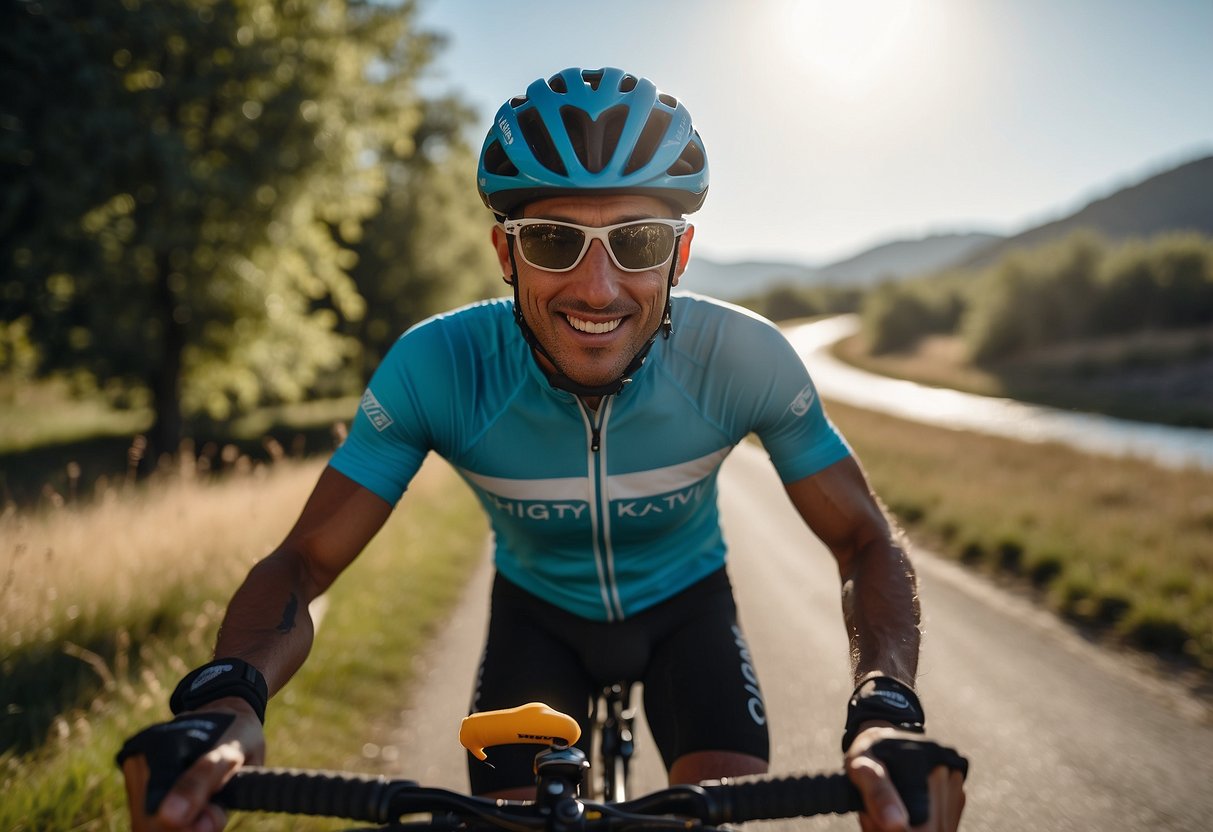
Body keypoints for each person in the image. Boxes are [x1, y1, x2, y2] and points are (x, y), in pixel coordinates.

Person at [118, 67, 967, 832]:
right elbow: (303, 564)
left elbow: (862, 540)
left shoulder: (743, 357)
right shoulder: (437, 368)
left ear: (678, 253)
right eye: (555, 241)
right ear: (504, 252)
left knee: (722, 811)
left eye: (634, 242)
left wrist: (885, 708)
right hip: (537, 619)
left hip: (688, 611)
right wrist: (224, 699)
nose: (595, 290)